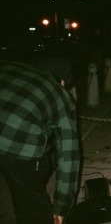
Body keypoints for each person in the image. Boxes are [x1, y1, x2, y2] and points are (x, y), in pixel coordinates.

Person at [0, 59, 81, 224]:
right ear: (63, 81)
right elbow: (69, 157)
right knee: (31, 207)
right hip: (18, 144)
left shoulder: (12, 65)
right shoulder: (61, 95)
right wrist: (61, 207)